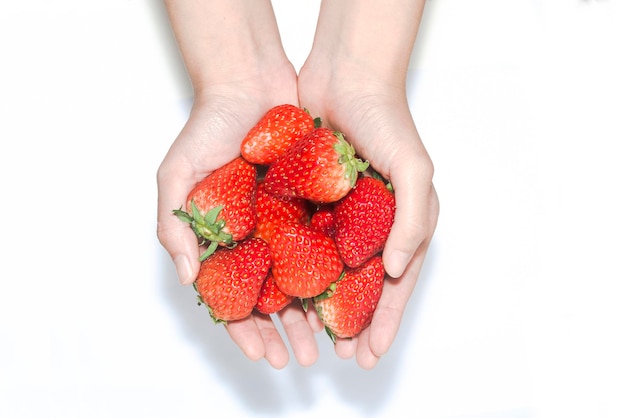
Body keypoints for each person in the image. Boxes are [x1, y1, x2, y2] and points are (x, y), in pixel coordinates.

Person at [156, 0, 439, 370]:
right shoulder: (287, 209)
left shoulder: (291, 212)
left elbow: (293, 225)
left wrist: (366, 83)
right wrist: (231, 80)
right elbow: (286, 219)